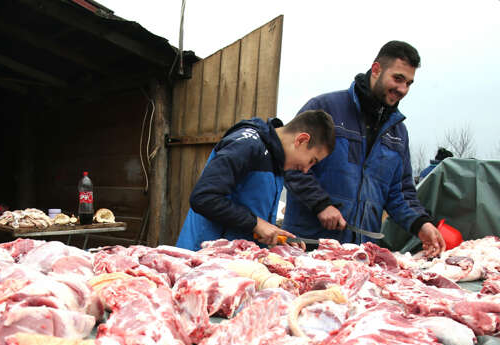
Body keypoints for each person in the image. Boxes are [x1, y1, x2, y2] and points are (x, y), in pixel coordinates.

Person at [282, 41, 446, 257]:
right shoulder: (325, 109)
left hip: (360, 255)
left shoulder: (398, 133)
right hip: (307, 248)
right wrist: (320, 204)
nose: (403, 89)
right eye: (398, 78)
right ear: (376, 69)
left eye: (408, 83)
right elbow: (289, 162)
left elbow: (401, 193)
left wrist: (421, 224)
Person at [176, 110, 335, 251]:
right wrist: (256, 224)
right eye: (312, 161)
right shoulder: (247, 144)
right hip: (203, 256)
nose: (306, 170)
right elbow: (204, 197)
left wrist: (272, 233)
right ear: (301, 140)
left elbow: (249, 213)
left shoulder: (276, 160)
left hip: (234, 258)